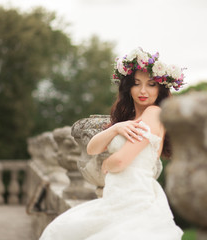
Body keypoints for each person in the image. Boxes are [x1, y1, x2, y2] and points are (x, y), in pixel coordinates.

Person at [39, 47, 185, 240]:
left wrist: (107, 164)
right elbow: (92, 148)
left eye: (150, 85)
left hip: (134, 198)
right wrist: (115, 128)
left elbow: (120, 162)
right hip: (116, 197)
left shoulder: (154, 113)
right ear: (128, 87)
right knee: (59, 230)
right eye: (136, 84)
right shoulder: (129, 120)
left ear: (160, 89)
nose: (143, 91)